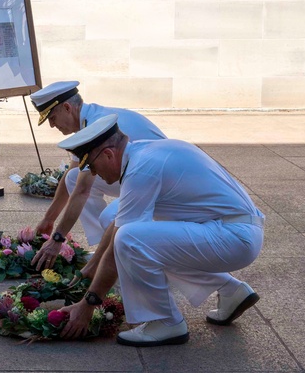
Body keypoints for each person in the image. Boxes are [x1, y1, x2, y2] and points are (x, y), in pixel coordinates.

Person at [54, 115, 263, 347]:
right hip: (229, 229)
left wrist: (88, 305)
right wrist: (91, 268)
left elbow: (119, 245)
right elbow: (116, 224)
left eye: (91, 166)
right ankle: (231, 291)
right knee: (115, 220)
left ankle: (165, 321)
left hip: (234, 237)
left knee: (131, 239)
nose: (93, 174)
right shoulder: (143, 153)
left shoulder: (141, 168)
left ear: (108, 155)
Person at [28, 81, 165, 271]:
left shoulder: (95, 125)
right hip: (141, 175)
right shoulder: (89, 121)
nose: (52, 125)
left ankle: (116, 258)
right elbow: (72, 175)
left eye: (52, 117)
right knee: (74, 177)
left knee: (111, 217)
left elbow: (82, 191)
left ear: (67, 108)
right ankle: (107, 249)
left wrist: (57, 239)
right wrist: (49, 219)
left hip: (159, 182)